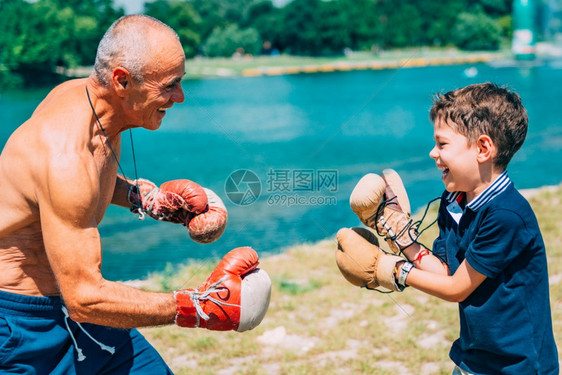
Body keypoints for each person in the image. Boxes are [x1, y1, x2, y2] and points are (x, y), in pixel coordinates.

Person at [0, 15, 270, 374]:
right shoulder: (64, 152)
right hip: (21, 326)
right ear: (122, 80)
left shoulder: (90, 104)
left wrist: (144, 199)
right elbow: (85, 296)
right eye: (169, 86)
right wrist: (197, 307)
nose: (180, 97)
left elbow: (75, 187)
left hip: (76, 313)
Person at [336, 83, 558, 374]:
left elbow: (457, 289)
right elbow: (447, 272)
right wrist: (402, 238)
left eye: (442, 144)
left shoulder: (506, 214)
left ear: (482, 148)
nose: (432, 153)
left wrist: (392, 270)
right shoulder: (454, 201)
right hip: (475, 356)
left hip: (519, 365)